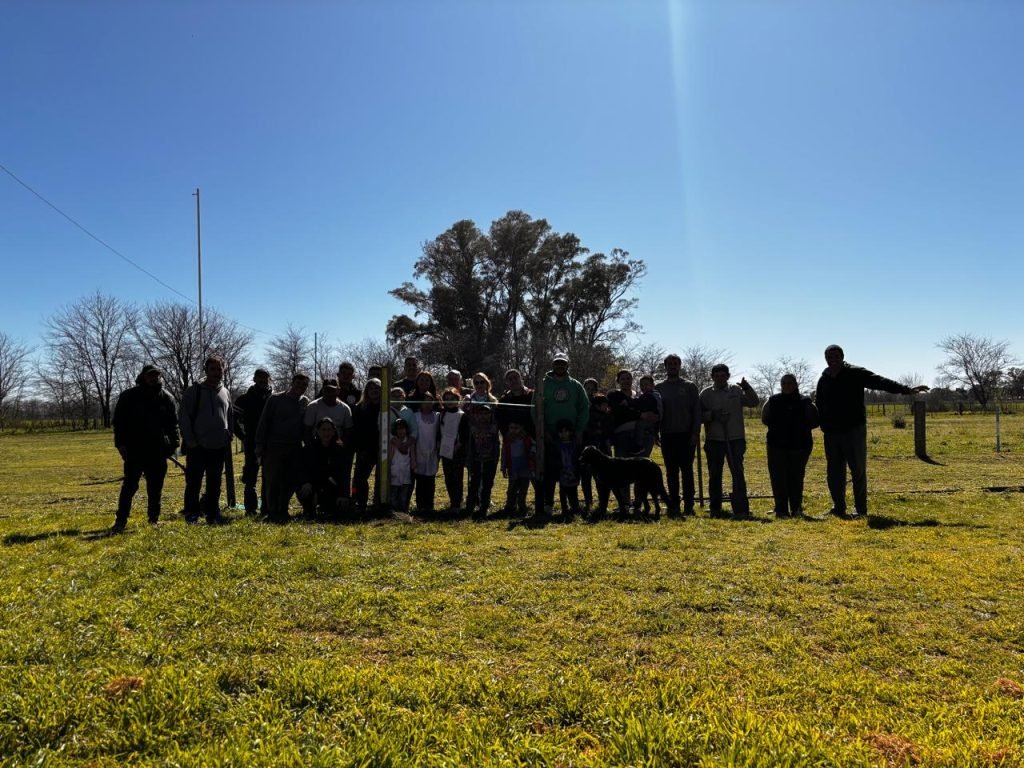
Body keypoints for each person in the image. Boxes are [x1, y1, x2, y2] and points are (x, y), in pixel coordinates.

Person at [815, 345, 929, 518]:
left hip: (853, 430)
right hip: (832, 433)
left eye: (836, 356)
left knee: (858, 470)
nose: (833, 359)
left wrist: (906, 389)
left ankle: (860, 510)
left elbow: (880, 382)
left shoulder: (855, 373)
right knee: (834, 472)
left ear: (842, 356)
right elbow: (820, 404)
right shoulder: (824, 379)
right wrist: (823, 425)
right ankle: (838, 507)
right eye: (829, 357)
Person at [111, 364, 179, 531]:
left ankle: (153, 519)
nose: (153, 378)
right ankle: (121, 520)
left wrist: (173, 444)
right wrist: (120, 444)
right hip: (135, 450)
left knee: (155, 488)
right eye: (150, 375)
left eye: (156, 375)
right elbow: (119, 423)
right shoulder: (129, 396)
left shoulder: (166, 397)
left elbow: (173, 424)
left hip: (158, 451)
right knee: (129, 487)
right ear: (143, 376)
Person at [179, 356, 235, 525]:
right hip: (197, 446)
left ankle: (212, 513)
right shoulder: (193, 391)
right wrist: (191, 441)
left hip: (218, 446)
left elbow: (230, 415)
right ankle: (192, 513)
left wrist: (229, 434)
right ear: (206, 371)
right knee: (194, 482)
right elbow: (184, 417)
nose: (216, 373)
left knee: (214, 483)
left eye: (219, 369)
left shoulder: (225, 391)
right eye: (213, 369)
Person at [700, 364, 759, 519]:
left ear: (727, 376)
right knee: (715, 475)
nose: (719, 378)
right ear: (712, 377)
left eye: (722, 375)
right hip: (714, 440)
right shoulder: (706, 394)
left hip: (735, 439)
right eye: (716, 376)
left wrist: (747, 388)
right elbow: (698, 416)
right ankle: (715, 508)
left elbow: (753, 402)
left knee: (738, 473)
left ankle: (741, 508)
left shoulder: (736, 391)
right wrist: (713, 415)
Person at [536, 353, 589, 517]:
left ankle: (573, 504)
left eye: (563, 363)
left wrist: (579, 430)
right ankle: (548, 504)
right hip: (550, 434)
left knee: (571, 469)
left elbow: (584, 407)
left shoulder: (575, 385)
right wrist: (542, 431)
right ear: (553, 365)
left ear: (567, 365)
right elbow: (535, 408)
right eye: (557, 363)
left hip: (570, 435)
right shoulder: (543, 384)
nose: (560, 366)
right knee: (551, 471)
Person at [762, 373, 820, 518]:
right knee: (778, 478)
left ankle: (796, 509)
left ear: (795, 385)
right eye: (784, 384)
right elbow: (765, 419)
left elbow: (815, 421)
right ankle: (781, 510)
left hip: (799, 446)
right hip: (776, 445)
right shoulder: (773, 400)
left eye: (789, 383)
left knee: (796, 477)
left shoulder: (805, 401)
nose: (787, 386)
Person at [256, 372, 310, 523]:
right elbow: (264, 422)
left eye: (304, 385)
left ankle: (283, 510)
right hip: (274, 447)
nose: (301, 387)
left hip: (294, 448)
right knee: (273, 481)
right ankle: (272, 512)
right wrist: (259, 445)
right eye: (298, 384)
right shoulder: (275, 399)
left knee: (290, 481)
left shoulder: (305, 402)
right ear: (292, 383)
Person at [655, 354, 703, 517]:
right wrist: (656, 433)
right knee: (671, 472)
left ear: (680, 366)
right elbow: (657, 412)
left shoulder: (689, 386)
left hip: (686, 435)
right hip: (668, 435)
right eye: (670, 364)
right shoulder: (659, 388)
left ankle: (689, 504)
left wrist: (695, 433)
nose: (673, 366)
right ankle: (673, 504)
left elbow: (697, 411)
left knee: (687, 471)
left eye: (675, 363)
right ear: (666, 366)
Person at [233, 368, 272, 516]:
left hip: (270, 443)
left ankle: (266, 508)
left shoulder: (273, 399)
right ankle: (250, 509)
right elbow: (233, 420)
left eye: (265, 377)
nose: (263, 380)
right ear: (254, 379)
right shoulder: (244, 399)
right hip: (252, 443)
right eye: (260, 377)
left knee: (268, 476)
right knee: (251, 477)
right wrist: (243, 437)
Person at [297, 417, 347, 521]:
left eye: (329, 430)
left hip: (330, 485)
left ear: (334, 431)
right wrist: (307, 482)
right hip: (311, 484)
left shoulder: (339, 450)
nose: (326, 433)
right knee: (305, 490)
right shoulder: (309, 449)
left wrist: (343, 494)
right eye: (323, 429)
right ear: (318, 431)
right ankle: (309, 508)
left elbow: (343, 474)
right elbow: (303, 469)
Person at [351, 378, 382, 513]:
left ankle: (378, 503)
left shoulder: (385, 407)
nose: (374, 391)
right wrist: (359, 448)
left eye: (377, 388)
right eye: (371, 389)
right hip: (365, 449)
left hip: (382, 448)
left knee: (381, 479)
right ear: (367, 391)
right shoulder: (360, 408)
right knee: (359, 478)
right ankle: (360, 502)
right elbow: (355, 430)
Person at [465, 402, 500, 521]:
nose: (484, 416)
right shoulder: (473, 428)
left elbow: (496, 445)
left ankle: (484, 508)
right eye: (481, 414)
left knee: (487, 484)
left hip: (489, 460)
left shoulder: (494, 428)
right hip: (476, 459)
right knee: (473, 483)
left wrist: (496, 458)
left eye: (487, 413)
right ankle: (469, 507)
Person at [438, 387, 469, 515]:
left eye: (452, 399)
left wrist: (457, 447)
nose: (450, 401)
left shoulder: (461, 415)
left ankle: (457, 503)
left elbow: (464, 435)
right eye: (447, 399)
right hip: (445, 450)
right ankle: (452, 501)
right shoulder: (442, 414)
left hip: (457, 451)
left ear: (458, 399)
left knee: (457, 477)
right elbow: (439, 431)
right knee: (448, 477)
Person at [581, 391, 613, 513]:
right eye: (604, 404)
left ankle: (603, 503)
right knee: (586, 478)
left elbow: (609, 433)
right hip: (590, 450)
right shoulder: (588, 416)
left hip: (603, 450)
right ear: (597, 405)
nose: (606, 407)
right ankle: (588, 501)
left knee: (602, 478)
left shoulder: (608, 416)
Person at [412, 392, 440, 515]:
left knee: (430, 480)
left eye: (430, 401)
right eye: (425, 402)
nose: (428, 404)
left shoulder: (438, 416)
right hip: (419, 451)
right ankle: (420, 505)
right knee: (420, 480)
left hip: (432, 452)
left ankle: (429, 505)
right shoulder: (416, 416)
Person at [501, 421, 535, 518]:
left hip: (525, 469)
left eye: (516, 428)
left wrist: (532, 453)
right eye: (511, 428)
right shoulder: (507, 440)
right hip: (513, 468)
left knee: (523, 489)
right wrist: (503, 467)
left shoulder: (527, 439)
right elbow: (504, 454)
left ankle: (522, 506)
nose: (513, 430)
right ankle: (510, 506)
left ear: (521, 428)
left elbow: (534, 446)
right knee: (512, 489)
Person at [556, 419, 581, 522]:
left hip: (572, 471)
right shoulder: (557, 445)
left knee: (573, 492)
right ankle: (564, 509)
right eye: (561, 432)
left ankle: (575, 508)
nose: (563, 434)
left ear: (570, 432)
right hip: (562, 472)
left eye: (566, 431)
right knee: (562, 492)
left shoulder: (575, 445)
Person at [389, 418, 415, 513]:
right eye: (398, 429)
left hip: (405, 471)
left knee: (404, 494)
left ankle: (403, 510)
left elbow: (412, 455)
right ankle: (394, 511)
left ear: (406, 429)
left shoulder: (409, 442)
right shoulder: (393, 442)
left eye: (402, 428)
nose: (400, 431)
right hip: (395, 470)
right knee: (394, 492)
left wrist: (413, 465)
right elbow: (390, 456)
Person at [634, 374, 662, 458]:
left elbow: (639, 404)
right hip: (654, 423)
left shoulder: (649, 396)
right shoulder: (655, 395)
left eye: (646, 384)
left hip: (650, 421)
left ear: (653, 385)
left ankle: (638, 446)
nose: (643, 387)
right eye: (641, 385)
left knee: (639, 426)